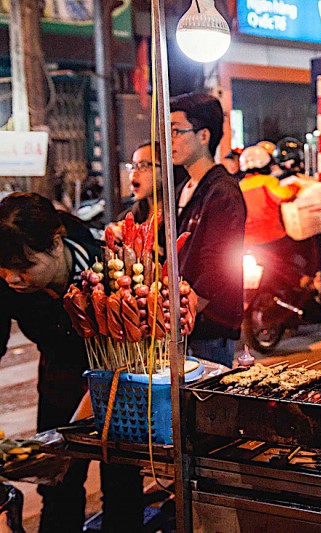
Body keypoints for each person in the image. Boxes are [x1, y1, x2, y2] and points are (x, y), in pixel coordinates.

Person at [0, 193, 143, 533]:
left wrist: (72, 434)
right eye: (3, 270)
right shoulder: (6, 285)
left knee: (122, 485)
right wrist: (55, 446)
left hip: (118, 387)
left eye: (23, 269)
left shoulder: (108, 268)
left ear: (54, 243)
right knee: (57, 486)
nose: (12, 279)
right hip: (59, 382)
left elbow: (124, 354)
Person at [169, 92, 246, 367]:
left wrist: (187, 312)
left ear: (203, 136)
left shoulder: (222, 191)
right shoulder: (183, 188)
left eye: (177, 131)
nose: (170, 140)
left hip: (208, 329)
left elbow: (219, 264)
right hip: (185, 324)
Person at [118, 141, 162, 224]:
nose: (134, 173)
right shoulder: (129, 218)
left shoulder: (180, 216)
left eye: (143, 165)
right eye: (133, 166)